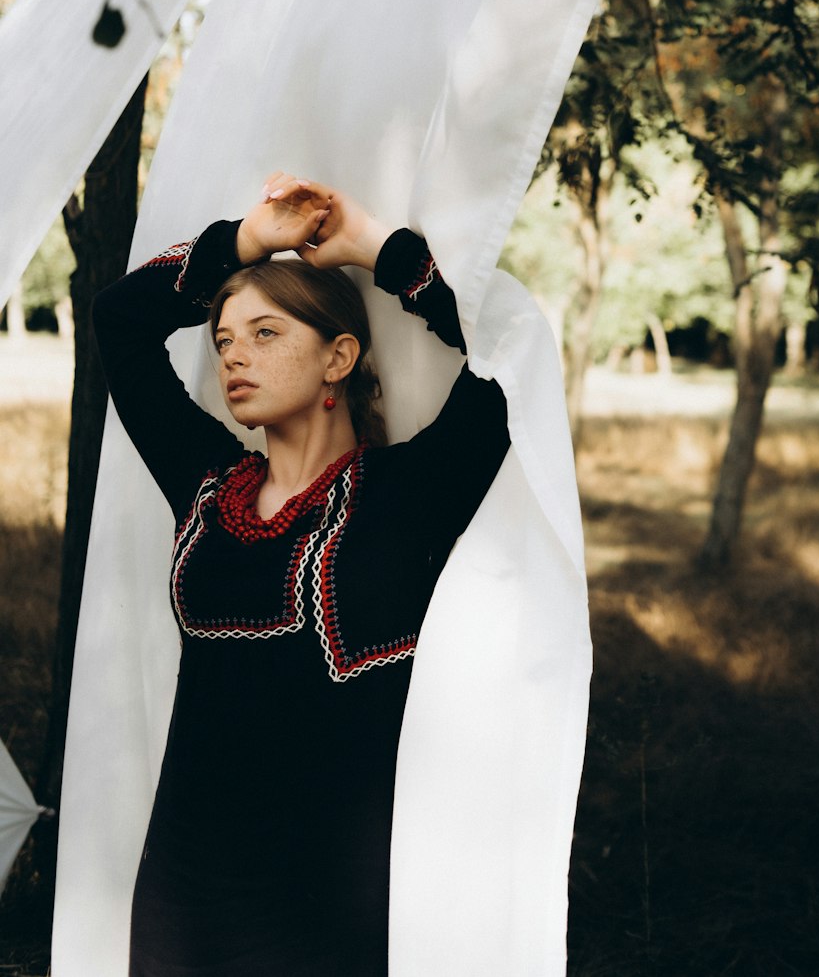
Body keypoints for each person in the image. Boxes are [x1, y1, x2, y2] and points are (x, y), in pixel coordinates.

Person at [92, 171, 510, 977]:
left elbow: (503, 352)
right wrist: (246, 242)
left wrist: (377, 249)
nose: (234, 354)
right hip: (186, 885)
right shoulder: (207, 486)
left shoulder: (409, 494)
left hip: (331, 898)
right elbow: (120, 318)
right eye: (223, 339)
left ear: (339, 356)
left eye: (266, 333)